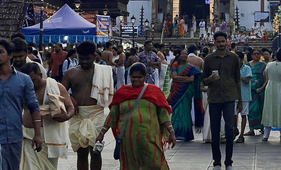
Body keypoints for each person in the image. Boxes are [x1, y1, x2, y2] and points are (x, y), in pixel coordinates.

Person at [96, 63, 176, 170]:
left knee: (156, 164)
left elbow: (163, 115)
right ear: (129, 77)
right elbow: (112, 116)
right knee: (130, 166)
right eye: (134, 77)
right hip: (128, 141)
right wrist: (101, 135)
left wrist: (171, 132)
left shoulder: (154, 92)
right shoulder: (122, 93)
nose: (136, 80)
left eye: (140, 77)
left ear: (145, 77)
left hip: (150, 139)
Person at [62, 41, 114, 170]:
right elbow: (60, 92)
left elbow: (112, 94)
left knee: (96, 151)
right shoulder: (70, 73)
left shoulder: (104, 71)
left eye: (88, 58)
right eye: (81, 58)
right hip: (78, 115)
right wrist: (70, 99)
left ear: (95, 56)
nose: (84, 61)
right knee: (81, 152)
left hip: (96, 113)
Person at [21, 62, 75, 170]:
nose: (30, 84)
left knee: (49, 167)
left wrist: (67, 116)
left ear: (40, 75)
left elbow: (70, 107)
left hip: (50, 137)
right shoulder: (22, 89)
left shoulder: (56, 87)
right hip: (27, 136)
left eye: (33, 80)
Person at [0, 39, 42, 170]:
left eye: (0, 52)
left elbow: (33, 106)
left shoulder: (24, 79)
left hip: (14, 135)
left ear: (10, 55)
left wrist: (37, 134)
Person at [203, 31, 242, 170]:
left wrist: (240, 100)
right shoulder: (208, 59)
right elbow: (203, 80)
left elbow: (237, 79)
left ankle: (229, 161)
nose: (220, 44)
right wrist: (209, 79)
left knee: (230, 130)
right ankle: (217, 162)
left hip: (229, 97)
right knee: (215, 130)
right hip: (214, 98)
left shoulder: (233, 58)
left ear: (227, 42)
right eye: (218, 41)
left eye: (222, 41)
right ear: (214, 42)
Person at [168, 49, 201, 141]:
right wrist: (184, 78)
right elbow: (173, 76)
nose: (184, 55)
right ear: (179, 55)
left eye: (186, 54)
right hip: (176, 91)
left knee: (186, 111)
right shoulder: (175, 65)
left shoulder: (191, 67)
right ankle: (175, 132)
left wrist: (178, 79)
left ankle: (186, 133)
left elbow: (191, 80)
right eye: (182, 54)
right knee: (176, 111)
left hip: (186, 92)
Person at [245, 48, 266, 136]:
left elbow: (266, 78)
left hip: (260, 90)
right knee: (251, 110)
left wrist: (262, 87)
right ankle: (251, 128)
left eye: (258, 53)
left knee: (260, 108)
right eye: (254, 54)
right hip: (249, 89)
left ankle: (262, 127)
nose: (256, 55)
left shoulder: (263, 65)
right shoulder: (247, 65)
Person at [235, 51, 252, 143]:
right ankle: (234, 130)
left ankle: (241, 134)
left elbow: (246, 81)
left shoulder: (247, 68)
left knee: (244, 114)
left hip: (244, 95)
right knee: (233, 114)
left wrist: (239, 77)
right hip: (233, 94)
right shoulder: (231, 69)